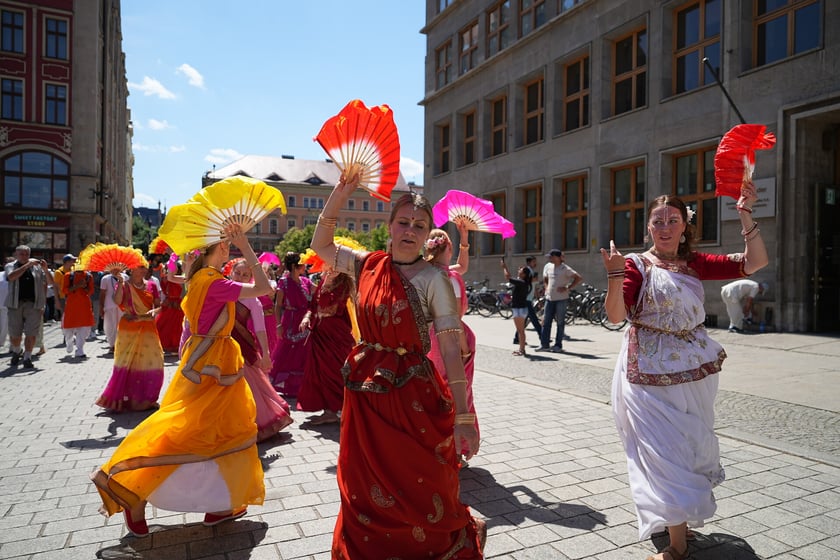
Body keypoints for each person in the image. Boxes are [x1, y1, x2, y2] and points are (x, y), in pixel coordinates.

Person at [311, 178, 486, 559]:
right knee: (362, 479)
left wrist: (464, 415)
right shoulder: (365, 264)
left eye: (419, 225)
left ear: (428, 235)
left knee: (419, 483)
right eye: (403, 222)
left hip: (413, 398)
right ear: (389, 226)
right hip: (364, 396)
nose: (410, 231)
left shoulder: (435, 278)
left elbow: (451, 350)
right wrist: (342, 192)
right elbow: (320, 246)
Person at [600, 181, 769, 560]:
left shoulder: (694, 263)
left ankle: (678, 521)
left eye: (672, 220)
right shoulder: (636, 265)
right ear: (648, 228)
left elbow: (754, 262)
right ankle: (676, 545)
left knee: (688, 446)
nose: (664, 227)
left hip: (693, 373)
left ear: (684, 227)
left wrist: (745, 213)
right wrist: (613, 276)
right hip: (645, 376)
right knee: (663, 452)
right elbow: (615, 316)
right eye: (657, 221)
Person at [91, 224, 272, 537]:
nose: (229, 247)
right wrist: (248, 247)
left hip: (205, 358)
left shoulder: (198, 278)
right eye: (226, 244)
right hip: (214, 361)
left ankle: (218, 505)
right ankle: (129, 488)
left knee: (214, 431)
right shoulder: (214, 282)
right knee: (191, 431)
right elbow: (265, 288)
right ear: (219, 250)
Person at [424, 225, 480, 456]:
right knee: (457, 391)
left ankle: (432, 443)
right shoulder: (451, 279)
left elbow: (463, 265)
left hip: (429, 336)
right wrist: (464, 347)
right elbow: (453, 317)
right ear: (448, 248)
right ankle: (456, 448)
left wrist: (464, 239)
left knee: (433, 390)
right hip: (451, 338)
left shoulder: (426, 272)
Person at [226, 258, 293, 440]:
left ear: (251, 279)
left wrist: (266, 354)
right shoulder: (220, 290)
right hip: (218, 348)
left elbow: (260, 329)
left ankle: (247, 424)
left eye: (245, 275)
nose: (240, 277)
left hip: (242, 350)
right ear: (230, 272)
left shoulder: (252, 300)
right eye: (238, 273)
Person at [95, 264, 164, 413]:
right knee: (127, 362)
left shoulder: (151, 284)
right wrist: (120, 283)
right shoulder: (124, 285)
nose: (144, 270)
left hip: (147, 327)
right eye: (140, 267)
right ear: (131, 269)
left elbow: (159, 305)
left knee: (153, 361)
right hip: (129, 327)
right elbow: (117, 300)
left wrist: (155, 311)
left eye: (145, 267)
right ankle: (126, 399)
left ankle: (146, 399)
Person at [296, 268, 356, 426]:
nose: (330, 267)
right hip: (320, 333)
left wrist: (327, 282)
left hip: (335, 335)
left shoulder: (344, 285)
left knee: (336, 371)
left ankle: (345, 409)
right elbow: (313, 305)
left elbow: (328, 307)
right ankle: (329, 412)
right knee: (320, 372)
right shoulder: (324, 280)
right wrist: (307, 317)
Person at [268, 251, 313, 396]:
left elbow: (320, 292)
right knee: (287, 352)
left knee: (302, 352)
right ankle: (287, 385)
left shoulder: (306, 281)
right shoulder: (284, 282)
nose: (305, 267)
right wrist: (278, 325)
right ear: (295, 266)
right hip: (290, 319)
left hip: (305, 320)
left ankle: (299, 386)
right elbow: (278, 305)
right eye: (302, 264)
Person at [5, 245, 53, 368]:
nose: (25, 257)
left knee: (31, 332)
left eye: (27, 254)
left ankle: (27, 357)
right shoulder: (10, 266)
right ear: (16, 255)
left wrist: (46, 270)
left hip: (33, 304)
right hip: (15, 304)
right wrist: (27, 265)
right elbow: (11, 277)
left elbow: (51, 282)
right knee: (15, 334)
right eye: (22, 254)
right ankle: (16, 350)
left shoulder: (36, 268)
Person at [538, 249, 582, 353]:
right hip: (549, 298)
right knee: (546, 322)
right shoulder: (549, 266)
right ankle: (544, 345)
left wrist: (568, 287)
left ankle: (558, 345)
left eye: (552, 256)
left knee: (560, 323)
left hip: (561, 299)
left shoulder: (565, 268)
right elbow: (545, 278)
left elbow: (578, 278)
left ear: (557, 257)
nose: (550, 258)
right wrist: (546, 287)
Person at [61, 263, 95, 359]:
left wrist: (84, 286)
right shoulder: (68, 276)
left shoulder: (88, 276)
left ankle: (80, 350)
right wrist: (77, 286)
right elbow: (65, 290)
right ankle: (69, 342)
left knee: (84, 329)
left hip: (84, 306)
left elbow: (91, 291)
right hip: (71, 306)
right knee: (68, 330)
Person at [501, 260, 533, 356]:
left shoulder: (521, 282)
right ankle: (521, 349)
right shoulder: (524, 283)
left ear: (524, 274)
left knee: (520, 331)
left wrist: (504, 267)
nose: (518, 270)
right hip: (520, 308)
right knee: (520, 331)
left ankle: (522, 350)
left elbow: (508, 277)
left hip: (519, 309)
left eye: (520, 270)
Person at [156, 261, 185, 354]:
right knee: (165, 325)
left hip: (178, 304)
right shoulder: (166, 279)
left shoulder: (180, 278)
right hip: (169, 304)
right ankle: (168, 346)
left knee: (178, 326)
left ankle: (177, 346)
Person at [99, 267, 128, 353]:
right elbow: (102, 294)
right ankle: (112, 345)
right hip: (109, 306)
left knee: (122, 326)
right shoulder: (105, 278)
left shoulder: (126, 277)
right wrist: (101, 307)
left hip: (122, 306)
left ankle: (121, 345)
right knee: (109, 326)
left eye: (117, 268)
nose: (115, 270)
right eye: (113, 269)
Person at [514, 256, 542, 345]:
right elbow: (529, 284)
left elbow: (534, 287)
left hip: (528, 298)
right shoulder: (528, 271)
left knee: (524, 320)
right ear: (529, 262)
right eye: (534, 261)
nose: (535, 263)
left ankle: (517, 338)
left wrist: (537, 298)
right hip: (526, 299)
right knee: (533, 319)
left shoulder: (531, 272)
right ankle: (542, 336)